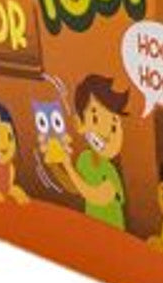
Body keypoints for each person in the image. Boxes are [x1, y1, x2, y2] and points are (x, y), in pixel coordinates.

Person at [47, 74, 128, 229]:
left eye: (113, 127)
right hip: (92, 227)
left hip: (113, 231)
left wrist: (68, 166)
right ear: (79, 124)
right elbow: (74, 187)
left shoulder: (110, 171)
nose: (105, 133)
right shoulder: (84, 158)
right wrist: (54, 166)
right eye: (95, 119)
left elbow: (97, 196)